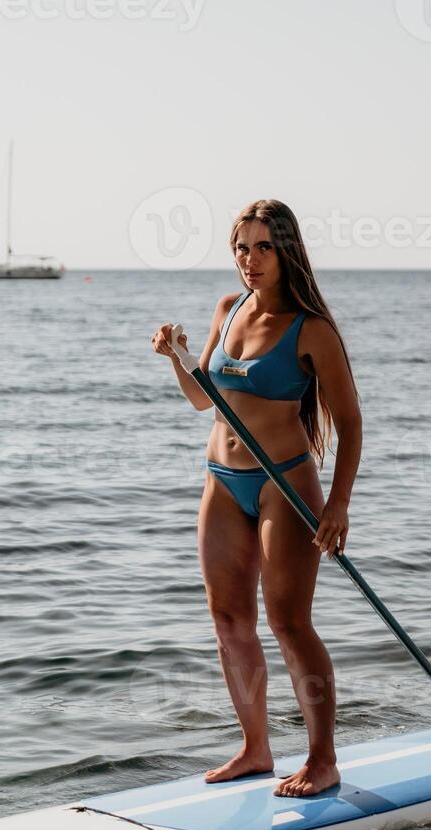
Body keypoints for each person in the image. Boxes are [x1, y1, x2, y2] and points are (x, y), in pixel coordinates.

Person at [150, 199, 362, 797]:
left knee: (290, 622)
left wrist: (338, 504)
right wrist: (177, 358)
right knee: (229, 621)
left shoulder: (311, 329)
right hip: (221, 480)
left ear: (286, 251)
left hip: (285, 486)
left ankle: (323, 760)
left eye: (263, 246)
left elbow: (350, 422)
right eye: (241, 247)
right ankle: (256, 748)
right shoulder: (229, 307)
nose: (250, 259)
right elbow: (203, 399)